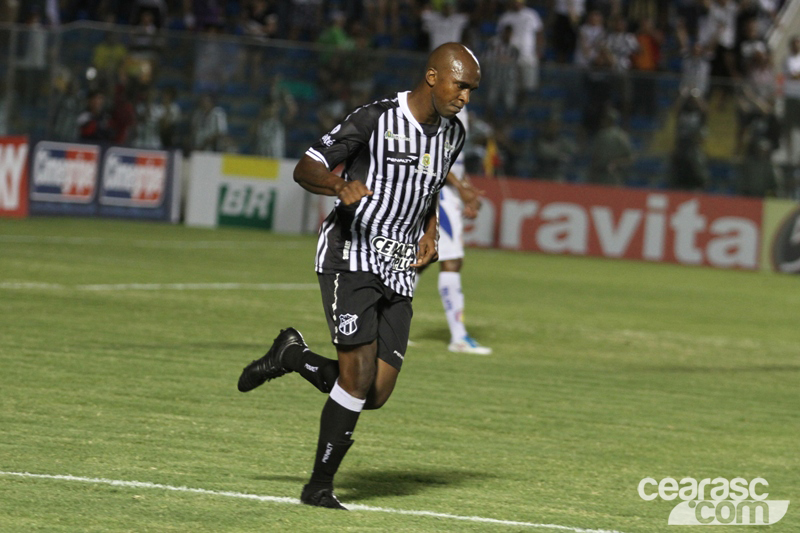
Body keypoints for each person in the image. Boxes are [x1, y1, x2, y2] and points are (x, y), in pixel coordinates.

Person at [236, 42, 480, 509]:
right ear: (433, 76)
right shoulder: (375, 119)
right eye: (461, 84)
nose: (465, 96)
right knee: (357, 375)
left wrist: (429, 233)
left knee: (376, 393)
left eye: (471, 89)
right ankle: (318, 487)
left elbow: (428, 187)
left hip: (400, 263)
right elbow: (306, 167)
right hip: (352, 254)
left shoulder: (452, 134)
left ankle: (291, 356)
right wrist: (338, 184)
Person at [418, 107, 491, 355]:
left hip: (448, 193)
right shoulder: (446, 109)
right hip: (440, 194)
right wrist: (461, 188)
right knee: (451, 261)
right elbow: (434, 155)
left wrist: (466, 189)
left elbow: (453, 159)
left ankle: (383, 326)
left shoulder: (458, 110)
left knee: (420, 261)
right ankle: (459, 337)